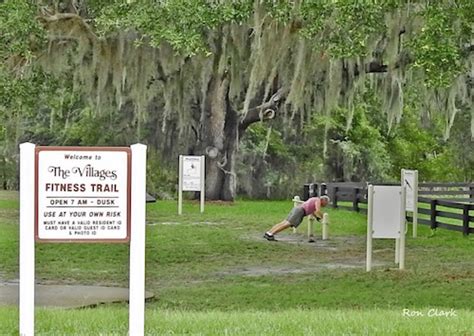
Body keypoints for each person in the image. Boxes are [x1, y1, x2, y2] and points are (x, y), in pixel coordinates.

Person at [263, 195, 330, 241]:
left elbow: (312, 210)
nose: (325, 205)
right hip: (300, 211)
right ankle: (271, 234)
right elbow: (318, 210)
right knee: (287, 224)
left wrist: (316, 217)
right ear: (323, 200)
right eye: (326, 203)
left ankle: (269, 233)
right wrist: (323, 217)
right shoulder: (318, 200)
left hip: (297, 209)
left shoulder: (314, 199)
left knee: (284, 222)